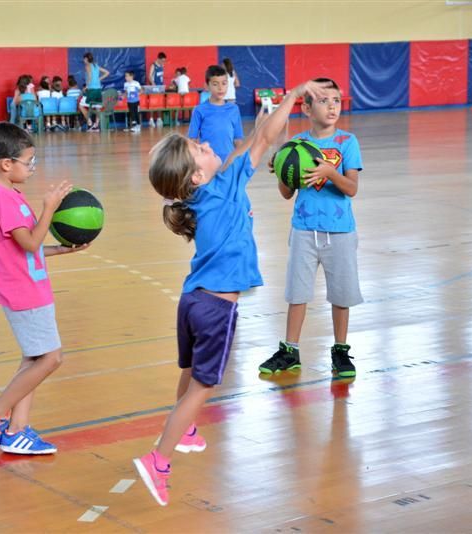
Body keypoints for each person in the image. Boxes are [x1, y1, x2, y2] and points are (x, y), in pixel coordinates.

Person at [133, 79, 330, 506]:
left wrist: (264, 121)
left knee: (188, 374)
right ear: (198, 174)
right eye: (199, 148)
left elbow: (258, 135)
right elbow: (265, 137)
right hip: (216, 308)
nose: (205, 143)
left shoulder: (203, 197)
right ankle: (158, 461)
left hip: (191, 301)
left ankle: (183, 430)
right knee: (204, 387)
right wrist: (294, 96)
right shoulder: (223, 184)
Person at [0, 121, 90, 454]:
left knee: (34, 358)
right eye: (29, 162)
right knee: (51, 359)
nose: (32, 168)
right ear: (6, 164)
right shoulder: (3, 199)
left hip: (30, 286)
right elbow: (28, 243)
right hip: (22, 291)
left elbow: (29, 247)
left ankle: (17, 430)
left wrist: (61, 250)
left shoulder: (7, 194)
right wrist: (49, 208)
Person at [257, 78, 364, 379]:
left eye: (336, 101)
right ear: (306, 107)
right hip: (304, 229)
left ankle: (340, 351)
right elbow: (286, 193)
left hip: (340, 231)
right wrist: (281, 170)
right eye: (323, 100)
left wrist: (330, 173)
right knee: (297, 292)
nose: (332, 106)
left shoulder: (347, 142)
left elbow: (352, 188)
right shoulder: (296, 146)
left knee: (341, 294)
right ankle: (290, 350)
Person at [187, 65, 244, 164]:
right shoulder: (199, 110)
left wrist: (242, 161)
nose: (220, 88)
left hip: (229, 162)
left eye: (224, 83)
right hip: (208, 162)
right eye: (215, 84)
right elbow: (193, 140)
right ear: (207, 86)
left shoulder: (234, 109)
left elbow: (238, 139)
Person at [83, 52, 109, 131]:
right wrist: (99, 79)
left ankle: (90, 123)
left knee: (81, 105)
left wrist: (86, 86)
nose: (83, 60)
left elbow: (90, 77)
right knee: (97, 107)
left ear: (87, 59)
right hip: (98, 89)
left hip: (91, 89)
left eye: (84, 58)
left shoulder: (87, 66)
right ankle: (96, 125)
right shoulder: (96, 65)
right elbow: (107, 73)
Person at [148, 52, 167, 128]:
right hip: (154, 86)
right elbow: (149, 76)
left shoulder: (162, 65)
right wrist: (153, 84)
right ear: (158, 59)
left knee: (159, 103)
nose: (163, 62)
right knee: (153, 103)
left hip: (160, 86)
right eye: (162, 60)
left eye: (164, 61)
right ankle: (151, 119)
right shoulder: (153, 65)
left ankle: (159, 118)